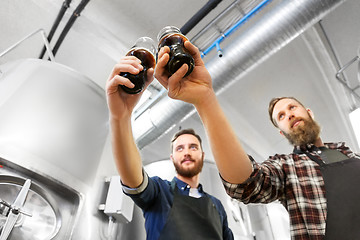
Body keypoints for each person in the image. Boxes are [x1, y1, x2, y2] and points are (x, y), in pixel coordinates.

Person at [154, 40, 360, 239]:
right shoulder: (287, 167)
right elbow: (246, 183)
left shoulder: (351, 153)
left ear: (309, 113)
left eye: (292, 108)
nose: (288, 114)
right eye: (280, 116)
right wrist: (205, 100)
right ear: (282, 133)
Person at [105, 55, 234, 240]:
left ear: (203, 155)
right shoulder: (159, 192)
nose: (187, 152)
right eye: (180, 148)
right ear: (172, 157)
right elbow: (134, 180)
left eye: (192, 147)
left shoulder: (217, 206)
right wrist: (120, 117)